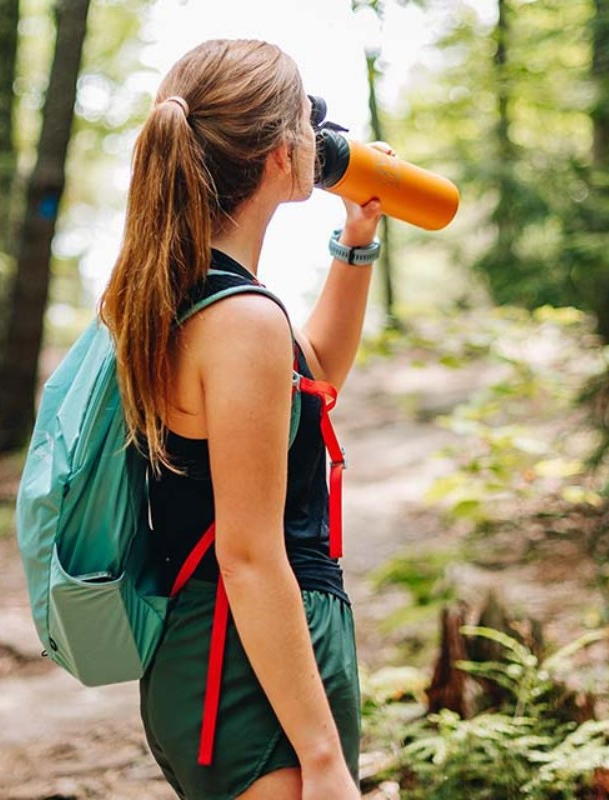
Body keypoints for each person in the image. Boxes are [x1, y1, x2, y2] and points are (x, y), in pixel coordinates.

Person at [99, 38, 387, 800]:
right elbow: (251, 553)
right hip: (251, 664)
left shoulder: (197, 293)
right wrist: (322, 756)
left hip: (220, 652)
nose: (320, 133)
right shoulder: (242, 321)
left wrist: (355, 247)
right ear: (275, 157)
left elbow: (314, 377)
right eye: (306, 117)